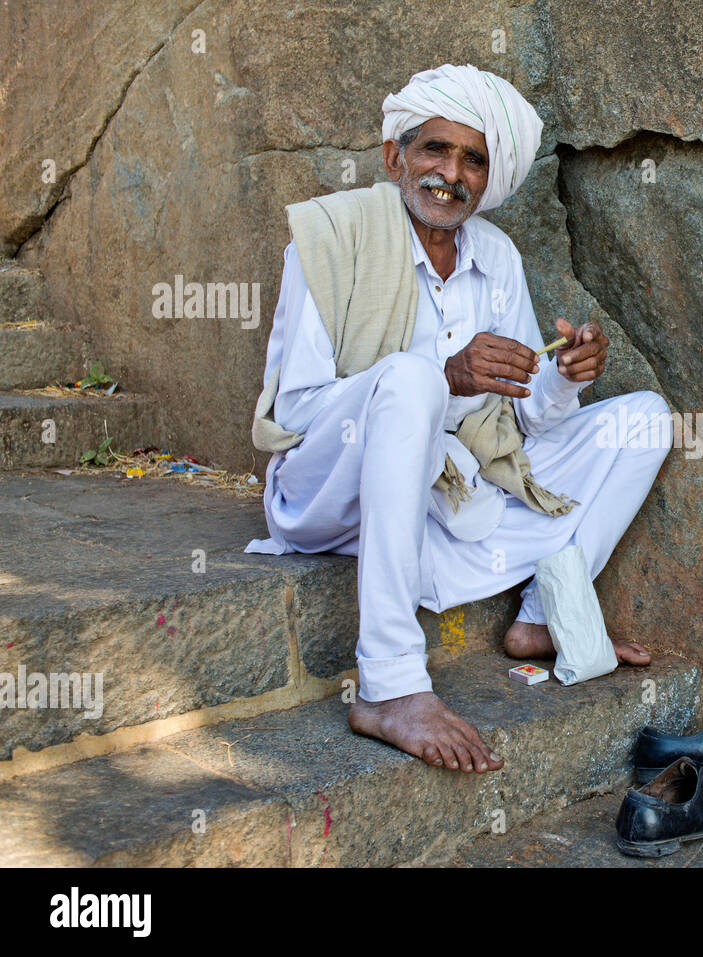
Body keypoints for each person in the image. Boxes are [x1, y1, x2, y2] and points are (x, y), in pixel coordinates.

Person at [245, 64, 672, 776]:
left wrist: (565, 378)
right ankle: (388, 684)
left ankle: (542, 613)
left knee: (650, 419)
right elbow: (296, 412)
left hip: (449, 500)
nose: (452, 174)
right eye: (434, 151)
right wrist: (441, 378)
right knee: (411, 379)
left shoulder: (495, 257)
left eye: (473, 158)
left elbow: (528, 420)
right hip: (329, 491)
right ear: (395, 157)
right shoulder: (331, 238)